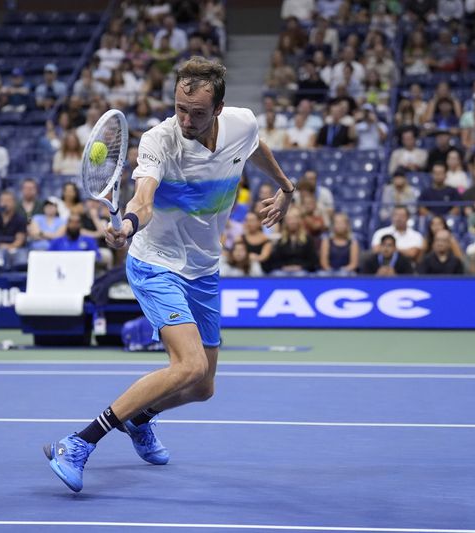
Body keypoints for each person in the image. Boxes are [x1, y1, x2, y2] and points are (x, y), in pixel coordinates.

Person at [43, 57, 293, 492]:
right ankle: (79, 442)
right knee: (189, 363)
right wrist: (127, 226)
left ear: (218, 108)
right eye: (180, 108)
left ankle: (141, 418)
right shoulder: (160, 140)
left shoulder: (242, 124)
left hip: (203, 268)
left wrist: (286, 188)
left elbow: (255, 146)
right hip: (155, 261)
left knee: (202, 387)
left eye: (197, 112)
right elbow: (143, 197)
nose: (186, 119)